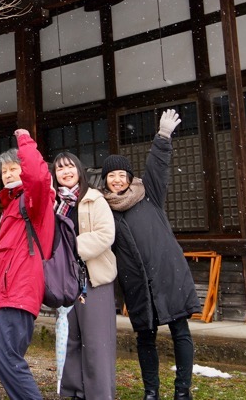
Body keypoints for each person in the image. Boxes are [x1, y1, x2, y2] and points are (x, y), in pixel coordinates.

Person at [101, 109, 200, 400]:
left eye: (122, 174)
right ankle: (151, 392)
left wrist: (163, 136)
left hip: (168, 272)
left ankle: (182, 391)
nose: (117, 180)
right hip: (136, 281)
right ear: (105, 180)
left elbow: (158, 166)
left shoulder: (149, 194)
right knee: (145, 337)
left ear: (130, 178)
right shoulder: (103, 208)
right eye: (111, 175)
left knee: (180, 330)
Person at [0, 130, 55, 400]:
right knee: (3, 356)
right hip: (6, 293)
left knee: (7, 357)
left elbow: (38, 176)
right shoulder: (12, 205)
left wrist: (25, 142)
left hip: (19, 291)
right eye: (4, 171)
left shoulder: (34, 200)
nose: (8, 174)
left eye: (14, 169)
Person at [52, 152, 117, 400]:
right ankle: (75, 390)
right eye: (60, 169)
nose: (66, 172)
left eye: (69, 167)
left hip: (93, 277)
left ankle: (99, 393)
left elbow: (105, 235)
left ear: (79, 169)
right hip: (66, 280)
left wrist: (70, 247)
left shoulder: (93, 199)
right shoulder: (54, 203)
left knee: (97, 340)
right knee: (71, 337)